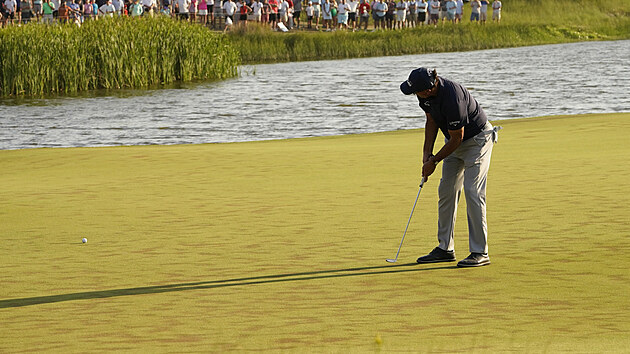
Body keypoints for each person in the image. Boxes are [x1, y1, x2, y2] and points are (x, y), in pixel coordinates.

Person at [400, 67, 501, 268]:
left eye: (417, 92)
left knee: (473, 192)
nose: (416, 96)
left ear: (429, 88)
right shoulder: (425, 95)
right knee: (446, 191)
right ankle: (445, 248)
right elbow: (431, 120)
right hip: (454, 141)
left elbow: (457, 138)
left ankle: (480, 252)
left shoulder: (452, 98)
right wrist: (426, 155)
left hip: (477, 141)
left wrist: (435, 161)